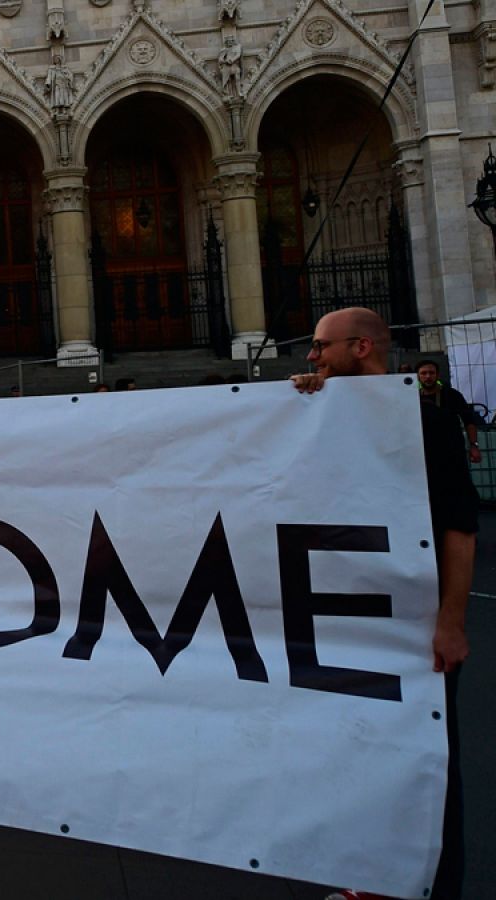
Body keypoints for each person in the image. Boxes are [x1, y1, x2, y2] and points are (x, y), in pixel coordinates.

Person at [292, 309, 473, 900]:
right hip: (344, 614)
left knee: (426, 760)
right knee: (356, 747)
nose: (312, 356)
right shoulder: (323, 415)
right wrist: (290, 405)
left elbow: (460, 529)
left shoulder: (430, 424)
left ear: (361, 347)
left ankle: (434, 885)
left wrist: (451, 623)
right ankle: (370, 878)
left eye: (321, 346)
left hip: (414, 621)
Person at [416, 360, 482, 464]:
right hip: (424, 453)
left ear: (438, 375)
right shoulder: (413, 397)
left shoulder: (452, 395)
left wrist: (474, 446)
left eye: (431, 373)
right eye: (423, 373)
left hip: (453, 451)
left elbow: (469, 421)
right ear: (417, 376)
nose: (428, 376)